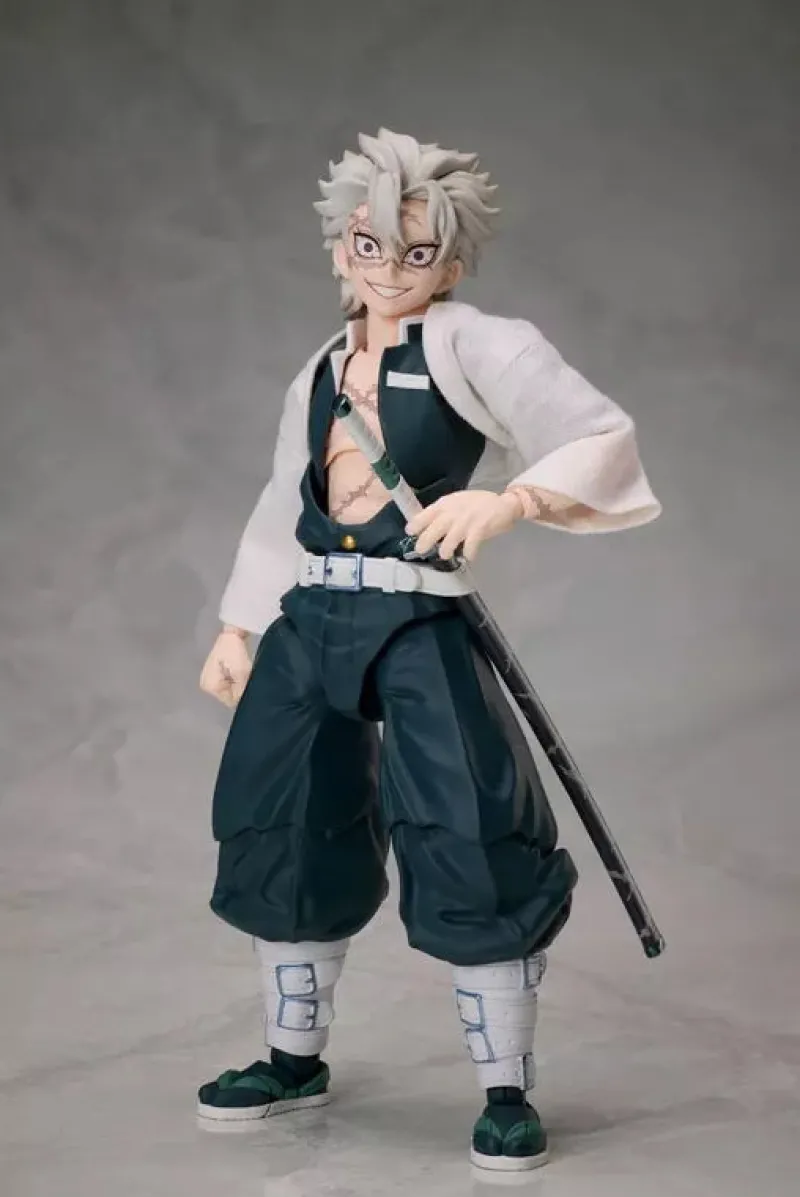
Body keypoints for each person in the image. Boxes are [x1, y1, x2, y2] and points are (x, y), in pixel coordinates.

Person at [195, 128, 661, 1172]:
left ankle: (504, 1090)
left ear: (449, 263)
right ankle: (291, 1058)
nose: (390, 270)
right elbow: (280, 503)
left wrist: (510, 500)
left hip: (417, 616)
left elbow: (597, 432)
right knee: (282, 820)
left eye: (416, 253)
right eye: (370, 246)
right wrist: (239, 623)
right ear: (339, 247)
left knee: (469, 825)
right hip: (311, 616)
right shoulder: (320, 370)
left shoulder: (477, 345)